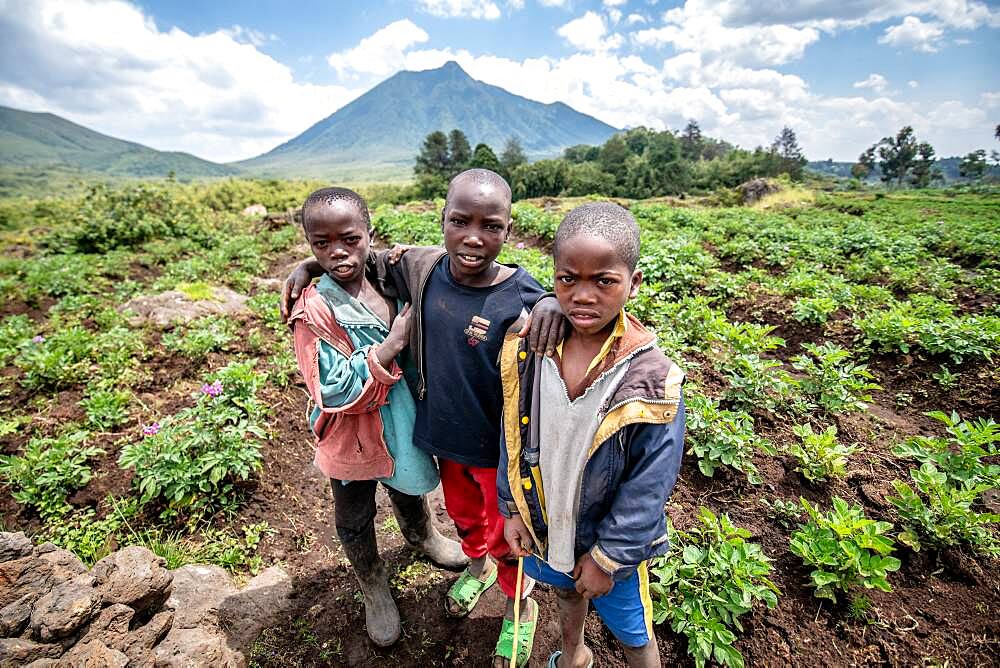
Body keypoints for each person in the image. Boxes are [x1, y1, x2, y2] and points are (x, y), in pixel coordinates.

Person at [282, 170, 565, 667]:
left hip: (495, 448)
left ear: (509, 227)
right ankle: (466, 569)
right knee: (462, 517)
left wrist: (548, 302)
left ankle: (520, 607)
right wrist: (310, 264)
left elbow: (553, 303)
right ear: (442, 221)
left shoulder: (519, 291)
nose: (473, 237)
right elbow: (358, 254)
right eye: (459, 221)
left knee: (508, 532)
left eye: (490, 225)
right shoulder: (423, 269)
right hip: (436, 438)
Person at [498, 202, 686, 668]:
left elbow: (650, 484)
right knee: (564, 592)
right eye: (568, 279)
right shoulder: (531, 350)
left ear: (634, 283)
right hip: (546, 521)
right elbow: (512, 436)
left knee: (633, 633)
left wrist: (609, 556)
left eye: (604, 281)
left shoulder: (652, 381)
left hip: (607, 539)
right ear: (554, 276)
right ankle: (574, 655)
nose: (583, 295)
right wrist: (512, 508)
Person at [287, 187, 466, 648]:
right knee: (353, 512)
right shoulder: (314, 310)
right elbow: (330, 390)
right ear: (307, 241)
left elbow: (444, 256)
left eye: (349, 238)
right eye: (320, 244)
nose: (336, 252)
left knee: (406, 484)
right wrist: (390, 345)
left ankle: (422, 537)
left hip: (401, 420)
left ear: (370, 232)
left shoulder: (389, 275)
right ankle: (372, 583)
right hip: (353, 434)